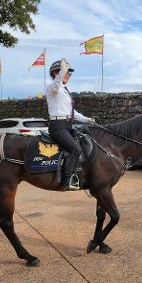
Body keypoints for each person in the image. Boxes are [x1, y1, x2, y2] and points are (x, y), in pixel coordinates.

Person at [46, 59, 94, 191]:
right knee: (76, 149)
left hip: (67, 125)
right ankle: (67, 180)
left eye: (69, 73)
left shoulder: (66, 91)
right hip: (57, 127)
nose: (68, 75)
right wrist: (62, 71)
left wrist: (87, 120)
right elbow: (56, 85)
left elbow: (73, 113)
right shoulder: (51, 88)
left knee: (86, 139)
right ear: (55, 73)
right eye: (66, 73)